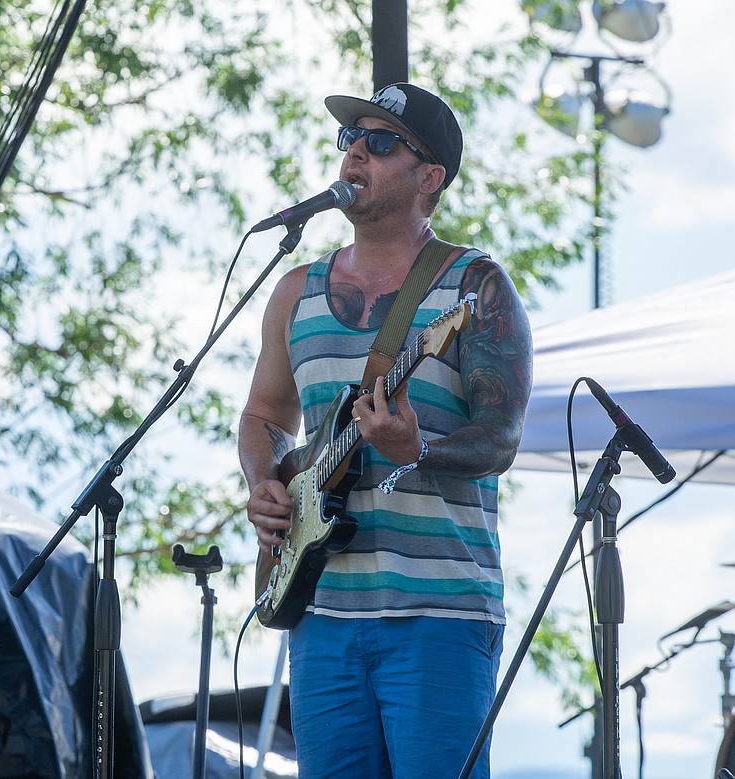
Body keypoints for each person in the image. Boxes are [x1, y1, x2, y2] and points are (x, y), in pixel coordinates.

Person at [238, 83, 533, 778]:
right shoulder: (294, 291)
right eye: (350, 140)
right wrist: (263, 481)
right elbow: (263, 417)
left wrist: (419, 449)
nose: (354, 155)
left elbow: (503, 436)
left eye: (379, 143)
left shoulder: (474, 286)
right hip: (322, 611)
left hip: (440, 613)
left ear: (429, 177)